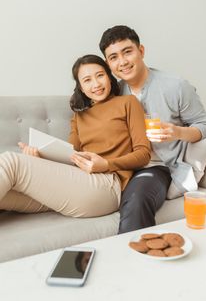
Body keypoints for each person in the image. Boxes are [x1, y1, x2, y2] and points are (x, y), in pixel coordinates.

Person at [0, 54, 151, 218]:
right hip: (79, 184)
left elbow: (144, 154)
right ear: (80, 87)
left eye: (100, 75)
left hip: (108, 186)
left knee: (11, 161)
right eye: (87, 80)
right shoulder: (80, 115)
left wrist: (106, 164)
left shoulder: (128, 102)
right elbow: (70, 157)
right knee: (7, 195)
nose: (96, 84)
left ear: (109, 76)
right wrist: (37, 157)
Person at [99, 25, 206, 233]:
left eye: (127, 52)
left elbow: (205, 126)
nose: (122, 62)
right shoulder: (112, 92)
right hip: (120, 166)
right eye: (113, 57)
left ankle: (135, 260)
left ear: (141, 51)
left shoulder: (175, 86)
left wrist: (178, 132)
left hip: (155, 167)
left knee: (137, 199)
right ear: (108, 64)